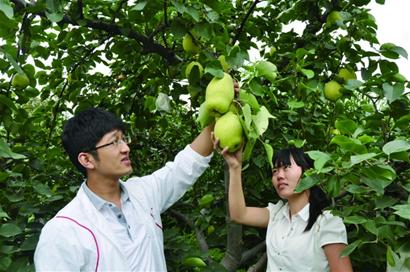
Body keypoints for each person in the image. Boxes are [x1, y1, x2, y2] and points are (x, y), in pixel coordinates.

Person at [34, 107, 215, 271]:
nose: (126, 148)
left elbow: (186, 165)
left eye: (123, 139)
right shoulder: (62, 231)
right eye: (114, 142)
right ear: (86, 160)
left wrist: (220, 113)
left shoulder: (143, 193)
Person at [215, 142, 353, 272]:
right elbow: (239, 214)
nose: (279, 175)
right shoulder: (276, 214)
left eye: (286, 167)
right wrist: (235, 167)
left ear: (308, 173)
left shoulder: (327, 222)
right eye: (275, 171)